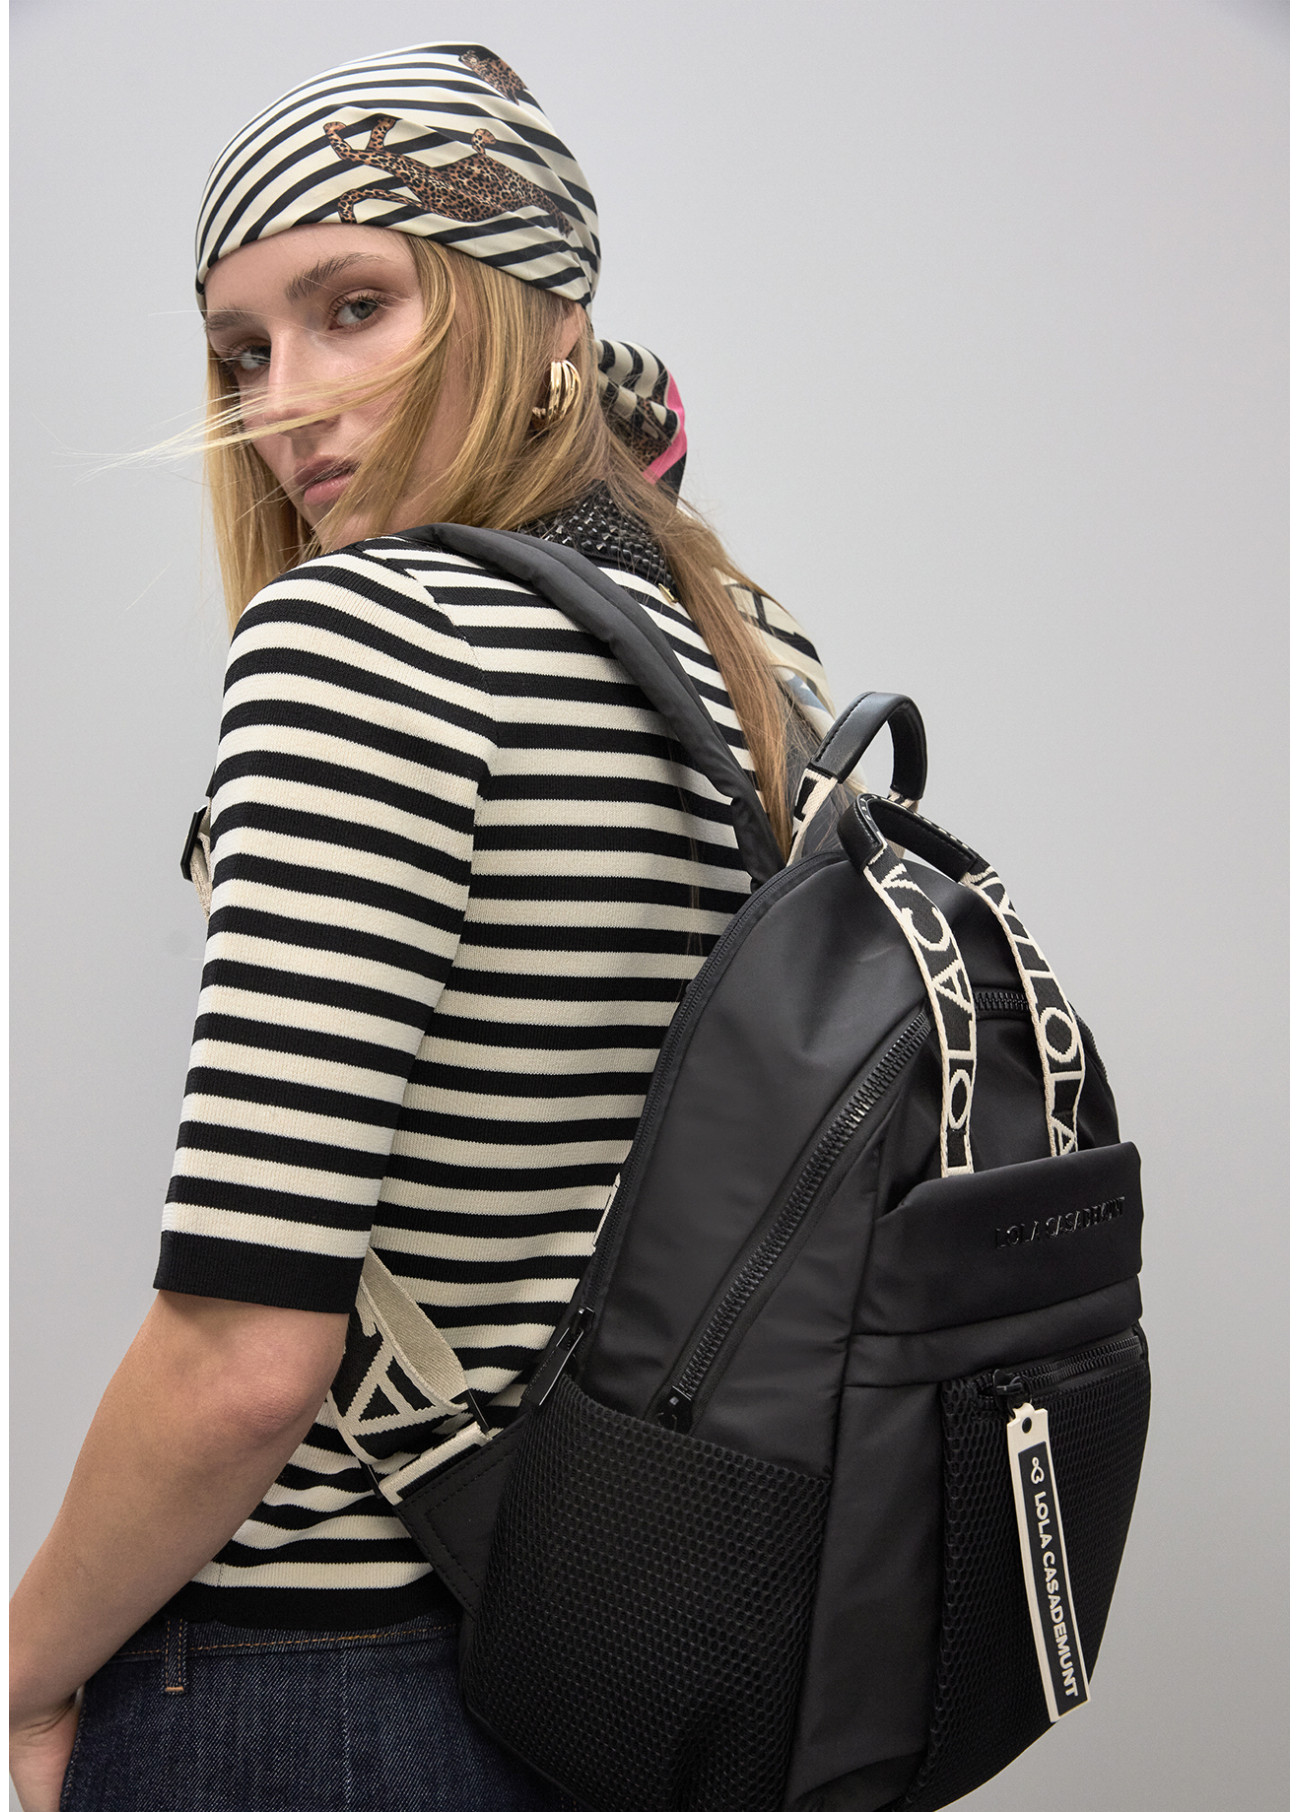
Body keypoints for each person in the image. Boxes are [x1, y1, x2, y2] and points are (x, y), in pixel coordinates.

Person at [9, 42, 833, 1812]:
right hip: (632, 1665)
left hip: (308, 1691)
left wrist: (28, 1663)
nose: (283, 403)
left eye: (354, 308)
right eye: (243, 350)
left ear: (541, 314)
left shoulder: (358, 637)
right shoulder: (754, 671)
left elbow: (245, 1357)